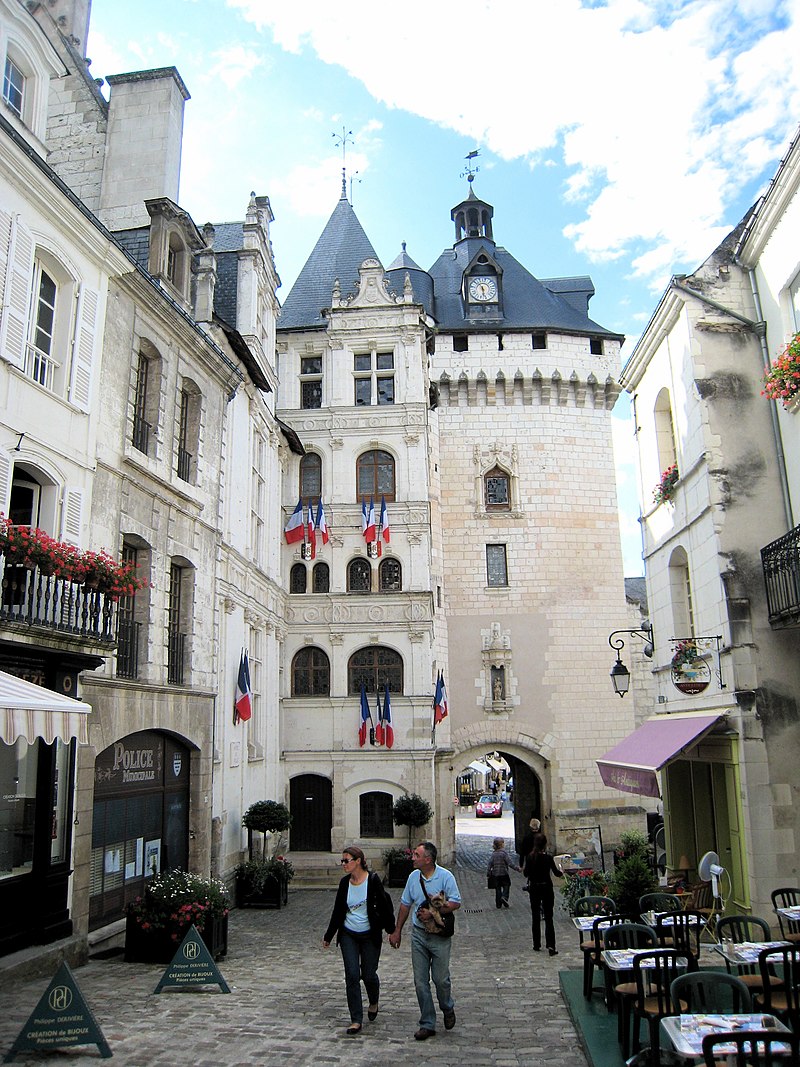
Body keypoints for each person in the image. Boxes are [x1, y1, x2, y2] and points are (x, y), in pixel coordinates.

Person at [388, 841, 462, 1041]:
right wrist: (397, 931)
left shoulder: (446, 877)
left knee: (440, 979)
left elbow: (455, 902)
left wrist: (434, 912)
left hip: (439, 936)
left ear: (427, 859)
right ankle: (427, 1023)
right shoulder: (413, 877)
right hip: (419, 935)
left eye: (416, 855)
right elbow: (405, 904)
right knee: (420, 982)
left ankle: (447, 1007)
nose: (412, 857)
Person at [323, 846, 396, 1035]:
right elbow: (338, 910)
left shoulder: (372, 881)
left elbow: (385, 907)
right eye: (343, 861)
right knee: (352, 975)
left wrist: (392, 931)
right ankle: (356, 1019)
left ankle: (373, 1000)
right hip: (349, 934)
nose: (344, 864)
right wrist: (329, 936)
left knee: (369, 974)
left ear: (358, 861)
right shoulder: (344, 883)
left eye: (346, 861)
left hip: (369, 934)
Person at [523, 831, 563, 955]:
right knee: (548, 917)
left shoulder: (530, 857)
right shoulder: (548, 858)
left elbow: (526, 874)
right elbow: (557, 873)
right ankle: (551, 945)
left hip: (534, 888)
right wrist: (562, 870)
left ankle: (536, 944)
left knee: (535, 916)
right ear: (545, 844)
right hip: (546, 888)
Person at [487, 836, 521, 909]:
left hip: (495, 874)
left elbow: (490, 864)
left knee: (498, 888)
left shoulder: (493, 854)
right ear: (502, 845)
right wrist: (517, 868)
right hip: (504, 873)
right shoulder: (504, 854)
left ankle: (498, 904)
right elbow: (510, 863)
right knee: (506, 885)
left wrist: (489, 872)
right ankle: (504, 897)